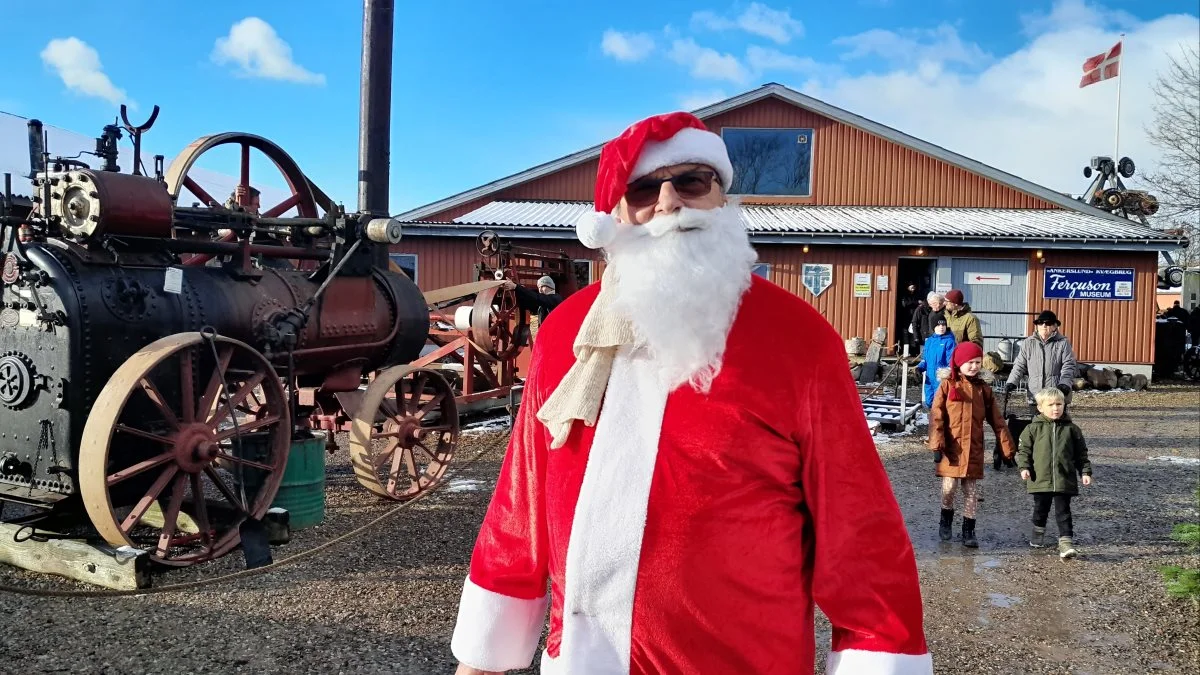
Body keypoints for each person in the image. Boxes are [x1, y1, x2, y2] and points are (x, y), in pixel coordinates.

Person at [450, 112, 931, 675]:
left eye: (692, 182)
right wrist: (483, 660)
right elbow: (521, 504)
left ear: (722, 199)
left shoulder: (798, 340)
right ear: (616, 216)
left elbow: (863, 539)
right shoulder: (565, 334)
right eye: (644, 189)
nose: (669, 203)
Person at [928, 342, 1016, 548]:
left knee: (971, 492)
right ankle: (945, 520)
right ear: (959, 363)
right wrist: (936, 444)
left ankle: (969, 531)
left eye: (978, 362)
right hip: (951, 449)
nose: (974, 366)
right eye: (970, 362)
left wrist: (1007, 448)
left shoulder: (983, 390)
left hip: (973, 449)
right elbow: (936, 416)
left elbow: (997, 420)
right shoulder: (947, 386)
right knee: (949, 489)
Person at [1016, 387, 1093, 559]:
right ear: (1040, 408)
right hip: (1039, 478)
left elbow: (1081, 454)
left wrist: (1085, 471)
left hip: (1064, 478)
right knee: (1040, 509)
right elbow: (1024, 451)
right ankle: (1037, 532)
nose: (1056, 408)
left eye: (1059, 404)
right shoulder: (1032, 429)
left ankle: (1066, 542)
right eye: (1050, 405)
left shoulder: (1072, 429)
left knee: (1063, 511)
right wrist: (1024, 468)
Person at [1003, 310, 1078, 414]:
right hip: (1035, 395)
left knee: (1055, 428)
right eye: (1040, 322)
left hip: (1055, 395)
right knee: (1037, 427)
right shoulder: (1028, 343)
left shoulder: (1063, 343)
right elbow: (1019, 365)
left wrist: (1064, 383)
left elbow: (1069, 365)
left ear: (1054, 326)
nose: (1044, 325)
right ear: (1037, 326)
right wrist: (1011, 382)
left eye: (1048, 323)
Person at [504, 275, 563, 340]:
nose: (540, 290)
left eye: (542, 286)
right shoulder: (543, 303)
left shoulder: (556, 299)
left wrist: (517, 287)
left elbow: (537, 298)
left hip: (555, 337)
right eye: (539, 287)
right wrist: (520, 291)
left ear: (551, 287)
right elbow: (531, 301)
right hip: (547, 337)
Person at [915, 318, 956, 409]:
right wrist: (919, 368)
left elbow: (951, 361)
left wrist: (947, 374)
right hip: (929, 378)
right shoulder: (929, 341)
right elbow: (925, 359)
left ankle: (942, 421)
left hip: (941, 377)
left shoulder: (949, 341)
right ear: (934, 327)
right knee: (929, 402)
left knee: (940, 404)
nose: (941, 327)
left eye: (943, 325)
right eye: (938, 325)